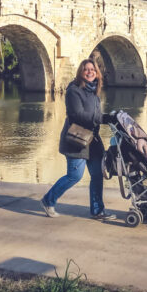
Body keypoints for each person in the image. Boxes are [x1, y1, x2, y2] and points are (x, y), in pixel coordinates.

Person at [41, 59, 118, 220]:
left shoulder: (95, 91)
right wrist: (101, 118)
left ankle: (97, 211)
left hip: (93, 141)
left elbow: (95, 115)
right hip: (77, 139)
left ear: (97, 73)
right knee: (74, 176)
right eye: (86, 69)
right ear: (80, 72)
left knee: (97, 175)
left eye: (93, 70)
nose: (90, 72)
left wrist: (107, 118)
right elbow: (76, 114)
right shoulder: (73, 91)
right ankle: (48, 200)